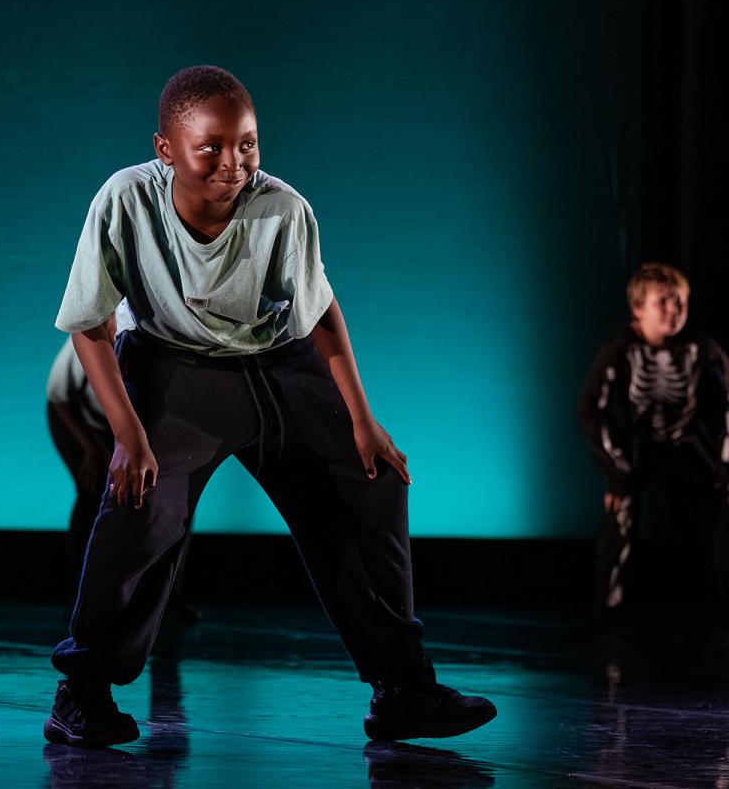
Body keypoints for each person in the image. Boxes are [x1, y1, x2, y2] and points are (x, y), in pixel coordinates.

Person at [45, 65, 496, 747]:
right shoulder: (126, 200)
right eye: (213, 148)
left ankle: (402, 686)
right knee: (143, 511)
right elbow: (90, 324)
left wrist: (362, 420)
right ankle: (82, 692)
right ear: (166, 149)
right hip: (177, 372)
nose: (234, 163)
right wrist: (130, 435)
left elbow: (321, 314)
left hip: (282, 369)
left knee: (373, 487)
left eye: (248, 144)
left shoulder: (283, 208)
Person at [578, 262, 729, 619]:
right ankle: (608, 609)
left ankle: (726, 599)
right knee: (620, 508)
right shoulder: (620, 348)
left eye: (680, 302)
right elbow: (589, 409)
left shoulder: (698, 345)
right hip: (636, 446)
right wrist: (615, 470)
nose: (675, 311)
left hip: (685, 440)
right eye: (664, 302)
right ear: (638, 309)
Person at [45, 310, 199, 622]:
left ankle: (167, 597)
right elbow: (59, 398)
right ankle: (80, 595)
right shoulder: (90, 334)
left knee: (173, 502)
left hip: (143, 428)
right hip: (82, 423)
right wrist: (91, 450)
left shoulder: (162, 336)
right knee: (94, 493)